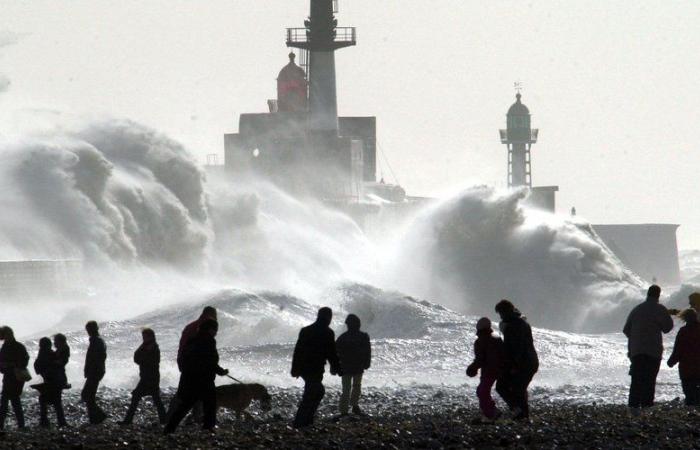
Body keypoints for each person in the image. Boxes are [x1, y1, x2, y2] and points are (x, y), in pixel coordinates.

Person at [164, 319, 229, 434]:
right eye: (215, 330)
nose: (216, 333)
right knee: (210, 404)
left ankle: (169, 428)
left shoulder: (192, 340)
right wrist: (221, 371)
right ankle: (208, 427)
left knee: (185, 405)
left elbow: (185, 359)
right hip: (203, 379)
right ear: (210, 329)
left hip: (189, 379)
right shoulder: (208, 341)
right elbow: (209, 361)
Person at [623, 285, 674, 415]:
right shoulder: (660, 309)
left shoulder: (637, 309)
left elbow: (626, 330)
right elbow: (667, 328)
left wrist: (636, 338)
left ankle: (633, 407)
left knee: (637, 378)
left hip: (637, 350)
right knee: (650, 379)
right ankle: (646, 406)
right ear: (658, 295)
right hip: (653, 350)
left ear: (648, 294)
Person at [291, 307, 342, 428]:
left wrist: (295, 369)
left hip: (304, 368)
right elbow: (332, 353)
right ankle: (300, 422)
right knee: (314, 392)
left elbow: (298, 351)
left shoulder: (306, 330)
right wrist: (338, 369)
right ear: (329, 317)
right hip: (315, 368)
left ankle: (305, 420)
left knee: (314, 392)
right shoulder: (328, 332)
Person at [494, 300, 538, 421]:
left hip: (523, 363)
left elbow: (516, 347)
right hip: (530, 361)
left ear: (506, 311)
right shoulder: (520, 322)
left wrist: (514, 365)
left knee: (504, 386)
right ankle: (522, 414)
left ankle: (519, 412)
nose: (501, 316)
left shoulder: (514, 325)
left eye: (501, 313)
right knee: (518, 388)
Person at [120, 328, 167, 425]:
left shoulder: (154, 348)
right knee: (155, 398)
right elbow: (136, 357)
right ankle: (164, 419)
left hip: (150, 377)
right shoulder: (145, 346)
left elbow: (149, 361)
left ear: (150, 337)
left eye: (145, 337)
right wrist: (143, 349)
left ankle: (128, 420)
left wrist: (143, 355)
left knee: (138, 396)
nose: (143, 339)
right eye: (143, 337)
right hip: (146, 377)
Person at [466, 317, 505, 421]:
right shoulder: (497, 338)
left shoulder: (480, 341)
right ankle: (492, 412)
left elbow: (480, 359)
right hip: (500, 370)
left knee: (482, 391)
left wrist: (472, 368)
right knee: (483, 391)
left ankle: (491, 414)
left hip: (489, 371)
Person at [335, 314, 371, 416]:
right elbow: (368, 351)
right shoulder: (363, 336)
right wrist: (367, 363)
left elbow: (334, 352)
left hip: (347, 367)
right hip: (356, 366)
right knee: (356, 387)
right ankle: (353, 406)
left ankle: (344, 410)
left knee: (347, 388)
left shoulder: (343, 337)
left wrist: (335, 366)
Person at [667, 308, 700, 406]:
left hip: (687, 368)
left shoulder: (683, 331)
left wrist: (671, 362)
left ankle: (691, 410)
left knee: (689, 393)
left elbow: (678, 349)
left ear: (685, 319)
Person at [33, 337, 67, 428]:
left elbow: (37, 369)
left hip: (50, 381)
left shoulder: (42, 354)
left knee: (44, 400)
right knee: (56, 401)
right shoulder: (51, 354)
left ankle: (45, 421)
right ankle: (60, 422)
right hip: (56, 381)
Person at [0, 326, 29, 430]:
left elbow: (23, 361)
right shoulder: (17, 346)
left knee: (8, 401)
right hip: (12, 378)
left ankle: (4, 425)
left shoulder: (14, 347)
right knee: (13, 401)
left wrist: (10, 365)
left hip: (14, 378)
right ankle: (21, 425)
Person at [82, 321, 108, 425]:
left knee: (87, 394)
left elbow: (95, 358)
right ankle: (95, 418)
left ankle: (98, 416)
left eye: (88, 329)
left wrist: (89, 370)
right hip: (97, 371)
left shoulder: (96, 341)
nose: (88, 332)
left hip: (95, 371)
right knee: (88, 395)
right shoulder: (97, 340)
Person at [177, 306, 218, 371]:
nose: (216, 318)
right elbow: (204, 355)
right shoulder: (203, 331)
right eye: (215, 315)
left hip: (183, 361)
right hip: (193, 365)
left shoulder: (190, 326)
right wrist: (218, 369)